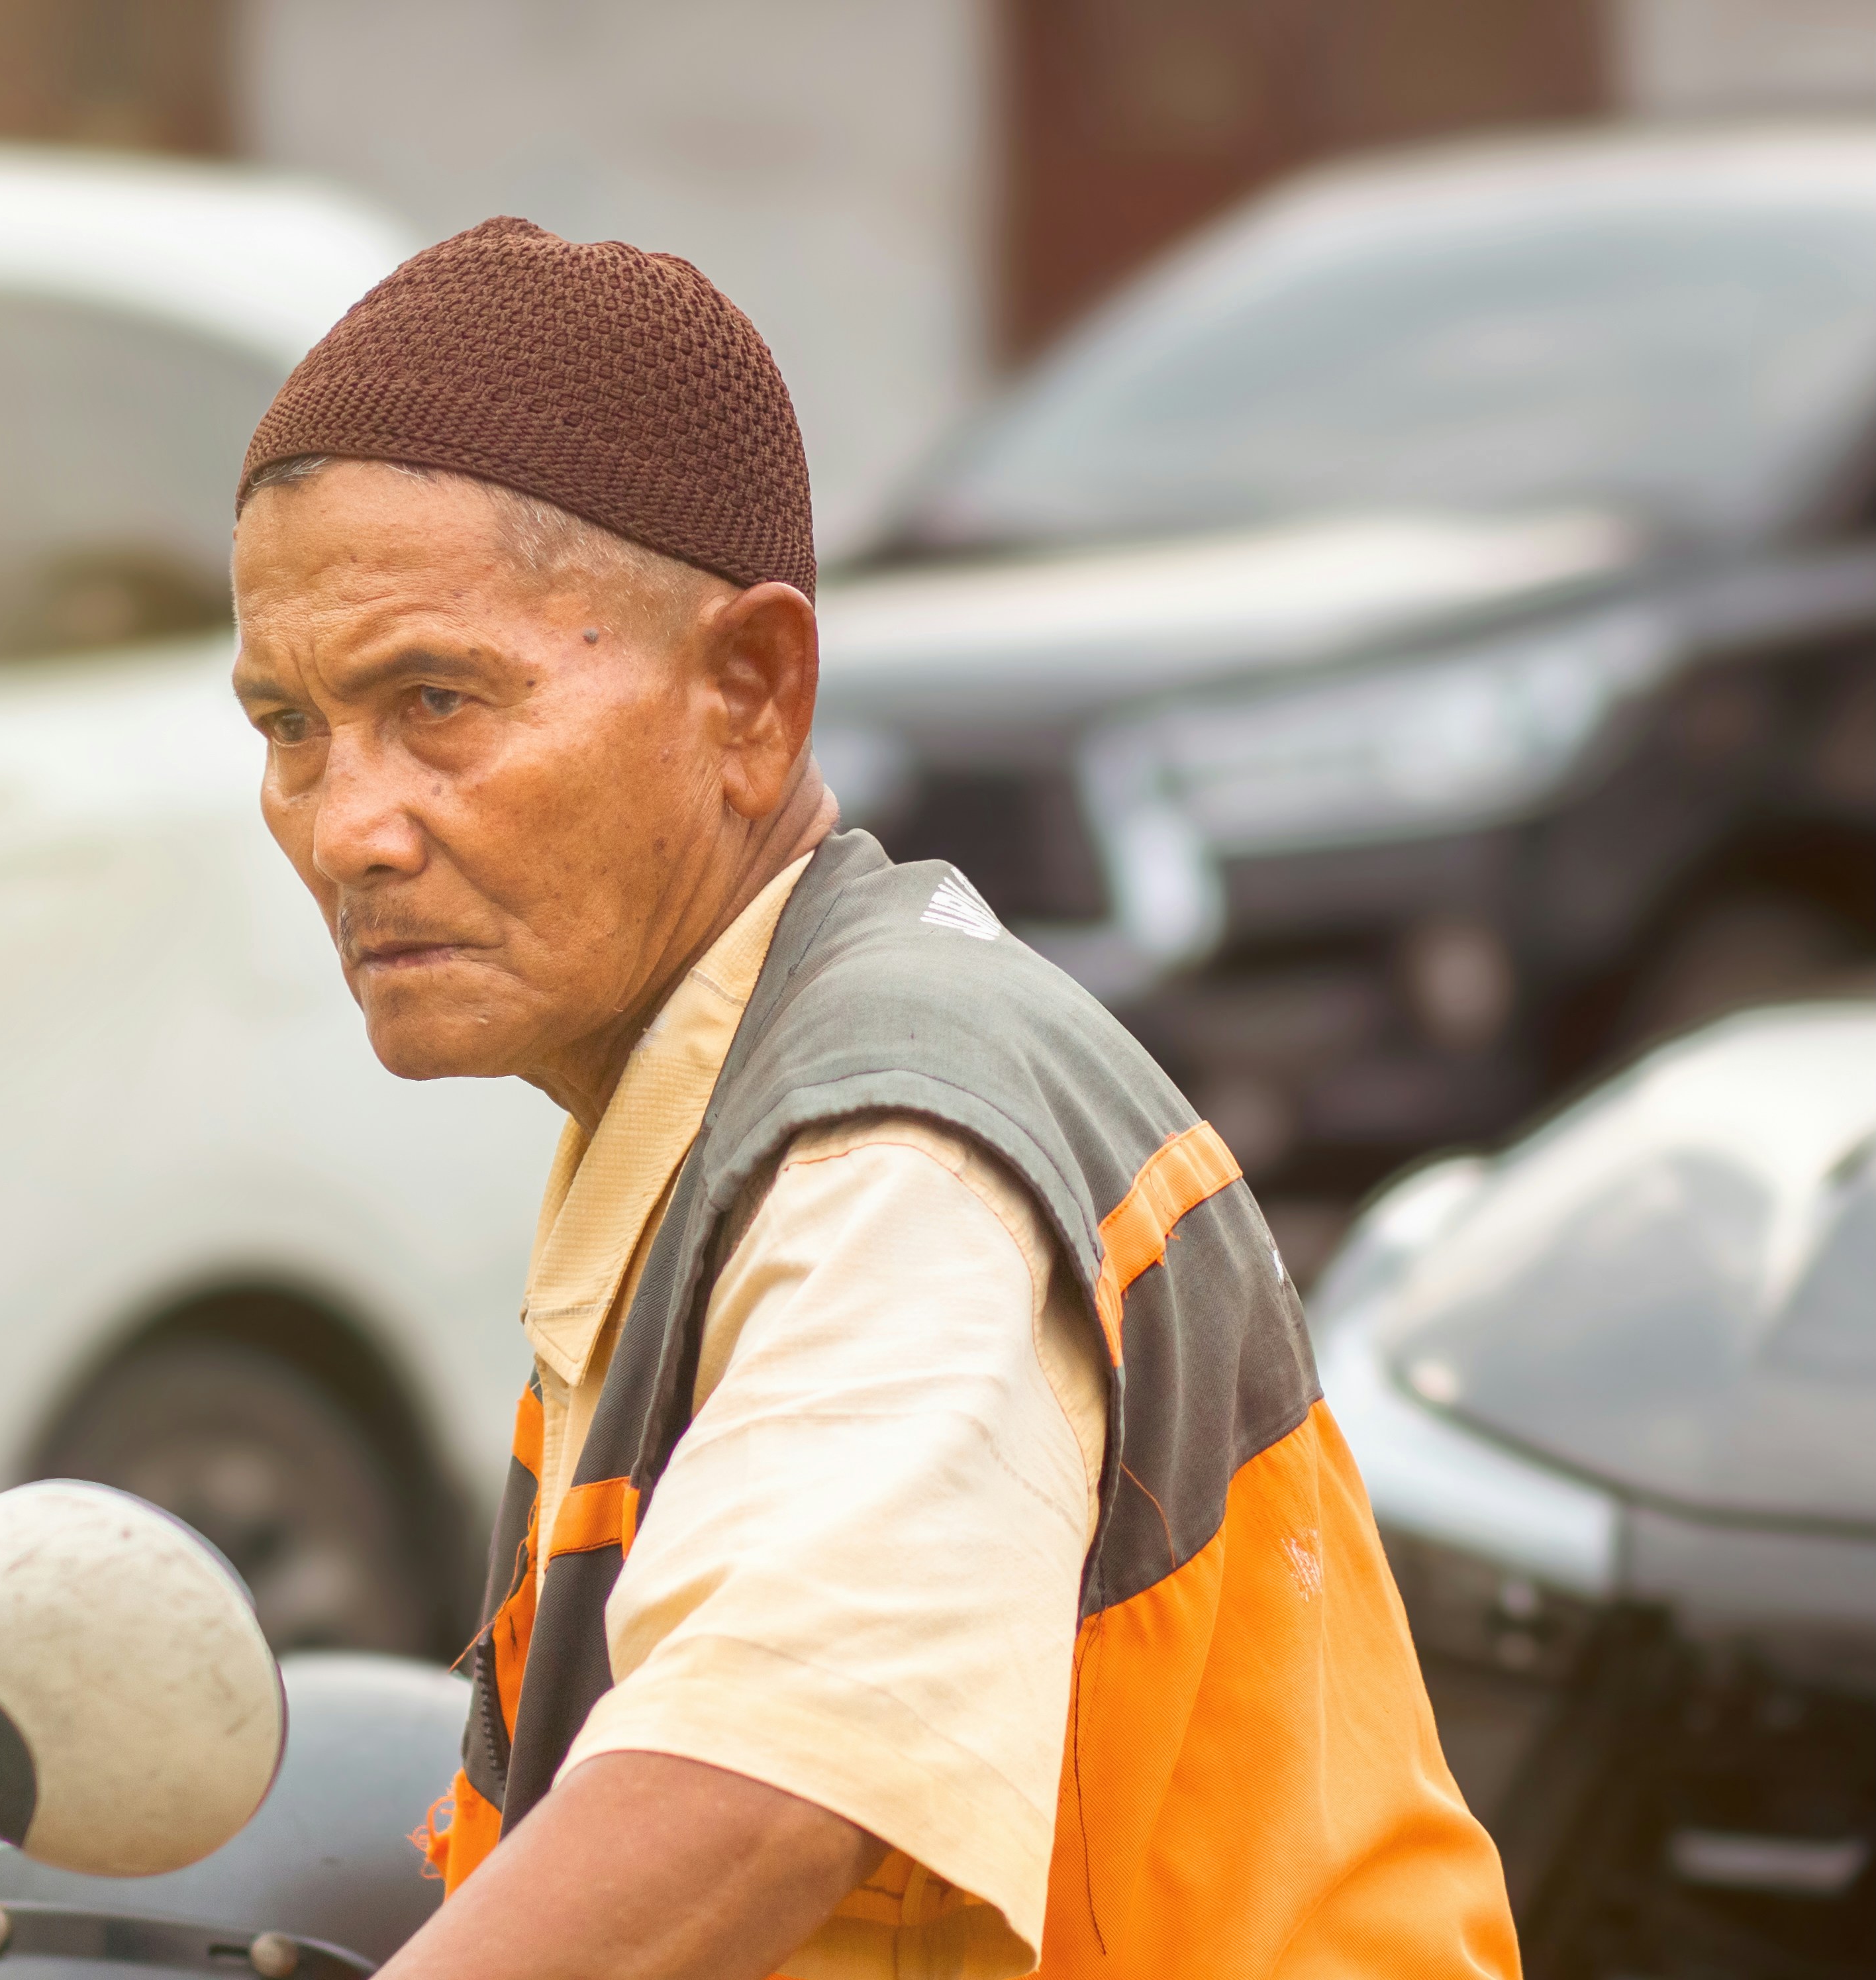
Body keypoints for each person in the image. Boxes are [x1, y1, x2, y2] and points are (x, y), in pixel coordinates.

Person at [226, 219, 1517, 1980]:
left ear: (749, 695)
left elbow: (743, 1799)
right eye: (289, 726)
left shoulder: (899, 1143)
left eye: (436, 701)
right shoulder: (716, 1096)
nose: (344, 823)